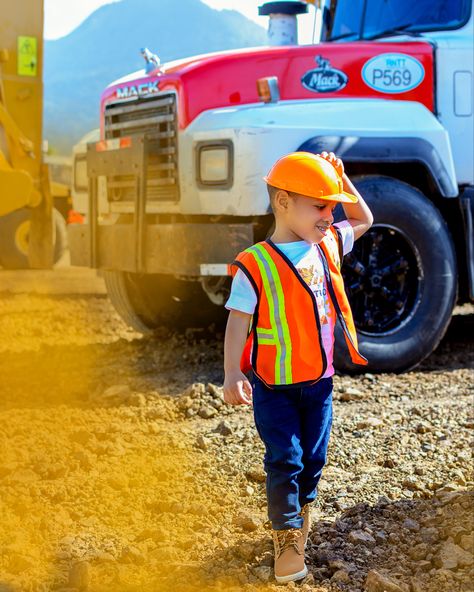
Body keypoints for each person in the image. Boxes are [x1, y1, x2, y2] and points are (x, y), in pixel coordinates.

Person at [223, 151, 374, 584]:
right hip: (275, 388)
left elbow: (363, 219)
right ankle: (287, 536)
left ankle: (302, 510)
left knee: (313, 459)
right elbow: (238, 322)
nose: (330, 215)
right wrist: (233, 373)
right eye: (320, 205)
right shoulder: (255, 264)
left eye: (332, 205)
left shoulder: (326, 244)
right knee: (284, 459)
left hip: (320, 384)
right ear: (284, 202)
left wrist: (342, 180)